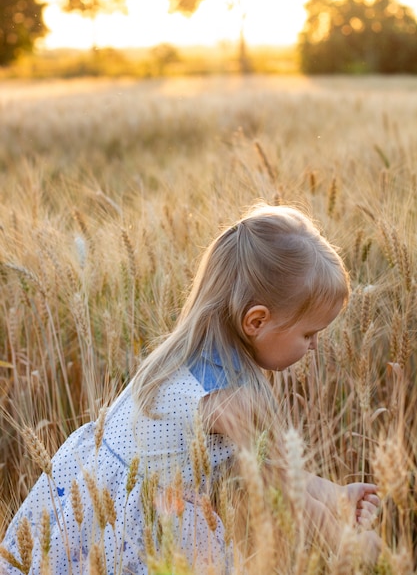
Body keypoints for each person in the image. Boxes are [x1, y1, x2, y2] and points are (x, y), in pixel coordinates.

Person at [0, 203, 380, 575]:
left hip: (89, 524)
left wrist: (335, 496)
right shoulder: (230, 400)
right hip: (135, 540)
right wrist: (348, 542)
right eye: (309, 333)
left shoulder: (186, 357)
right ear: (257, 321)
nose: (314, 346)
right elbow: (277, 486)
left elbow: (271, 467)